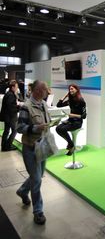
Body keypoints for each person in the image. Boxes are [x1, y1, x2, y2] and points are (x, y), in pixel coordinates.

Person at [16, 80, 50, 225]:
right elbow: (20, 128)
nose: (47, 91)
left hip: (42, 146)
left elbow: (46, 121)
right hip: (30, 148)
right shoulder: (26, 107)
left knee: (38, 176)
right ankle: (38, 212)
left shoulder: (43, 104)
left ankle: (23, 191)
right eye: (44, 89)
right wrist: (35, 129)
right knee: (36, 180)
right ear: (37, 91)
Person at [56, 84, 86, 155]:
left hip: (77, 123)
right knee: (58, 128)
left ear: (77, 90)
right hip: (70, 121)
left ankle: (71, 145)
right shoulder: (70, 100)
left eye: (72, 89)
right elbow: (58, 105)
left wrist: (73, 115)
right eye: (70, 89)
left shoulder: (81, 100)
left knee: (62, 129)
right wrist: (65, 96)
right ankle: (71, 144)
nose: (70, 90)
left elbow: (84, 116)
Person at [1, 80, 19, 151]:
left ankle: (4, 146)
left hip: (7, 117)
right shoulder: (10, 95)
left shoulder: (9, 94)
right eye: (16, 87)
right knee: (14, 131)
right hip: (10, 117)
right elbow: (11, 107)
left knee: (6, 131)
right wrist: (18, 107)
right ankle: (8, 145)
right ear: (12, 87)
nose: (17, 88)